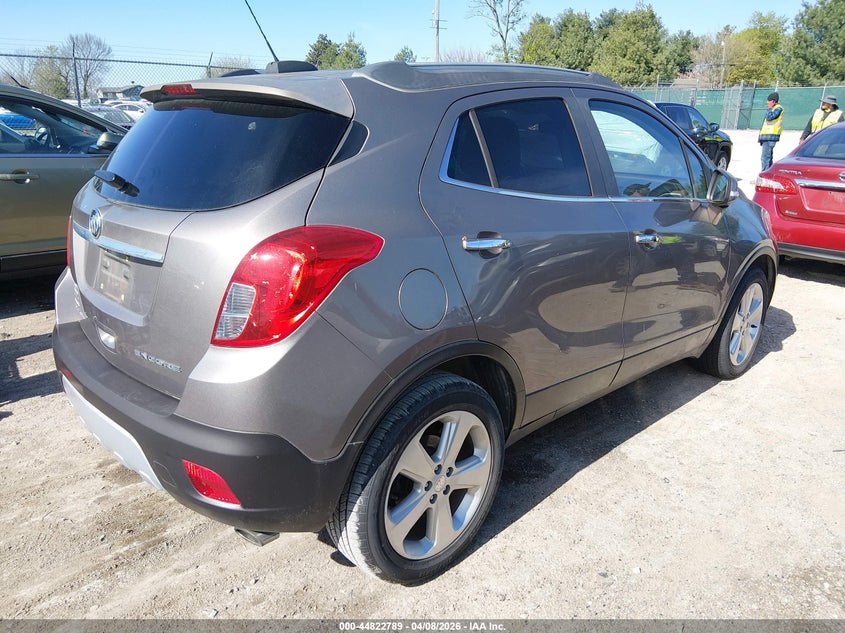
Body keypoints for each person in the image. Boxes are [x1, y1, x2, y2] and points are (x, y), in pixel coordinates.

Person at [758, 92, 784, 171]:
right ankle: (768, 173)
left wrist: (769, 109)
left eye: (769, 101)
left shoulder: (778, 108)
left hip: (771, 136)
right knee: (767, 157)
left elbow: (769, 117)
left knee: (765, 158)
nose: (767, 102)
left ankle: (764, 174)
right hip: (767, 136)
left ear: (773, 101)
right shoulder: (774, 108)